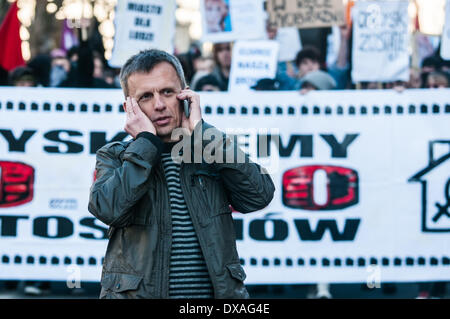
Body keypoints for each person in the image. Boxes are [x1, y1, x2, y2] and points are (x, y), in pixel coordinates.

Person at [88, 49, 275, 299]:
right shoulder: (114, 156)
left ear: (185, 94)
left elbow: (258, 196)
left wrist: (203, 133)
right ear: (130, 107)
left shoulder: (210, 148)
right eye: (146, 96)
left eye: (167, 91)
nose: (159, 104)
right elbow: (108, 209)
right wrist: (146, 143)